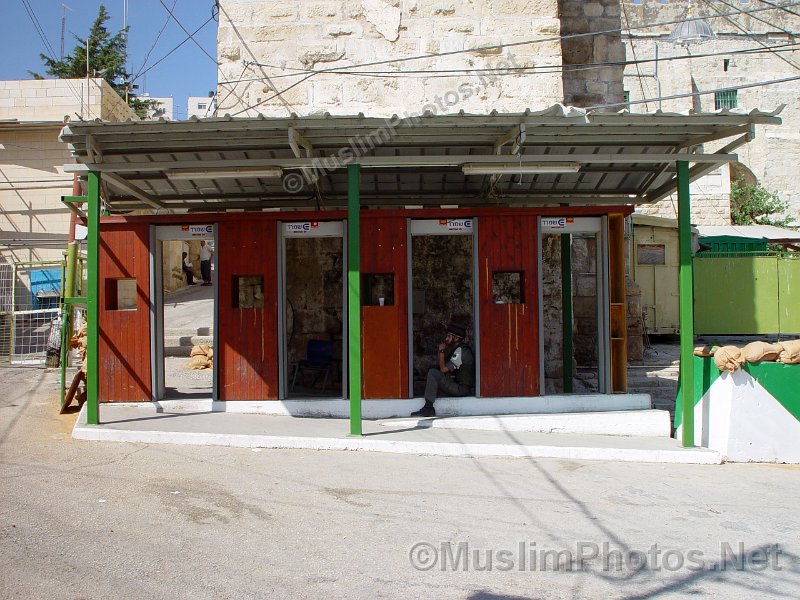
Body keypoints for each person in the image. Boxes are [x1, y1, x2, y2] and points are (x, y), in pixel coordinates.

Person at [411, 321, 474, 418]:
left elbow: (443, 369)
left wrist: (442, 350)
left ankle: (428, 408)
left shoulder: (461, 351)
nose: (446, 338)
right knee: (434, 371)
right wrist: (441, 351)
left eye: (449, 336)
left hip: (461, 389)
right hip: (456, 384)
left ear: (456, 338)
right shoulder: (455, 349)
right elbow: (439, 365)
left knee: (433, 373)